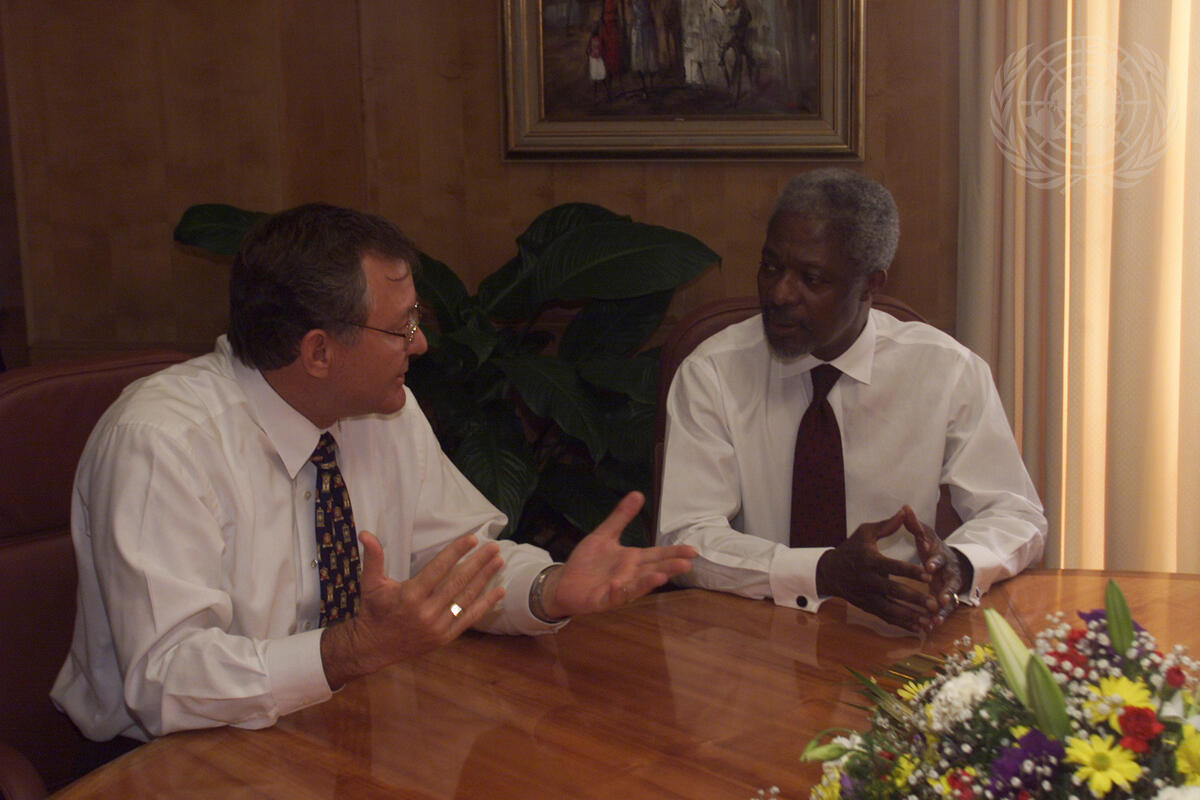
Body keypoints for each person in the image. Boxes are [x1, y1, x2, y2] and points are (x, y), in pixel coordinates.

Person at [52, 203, 696, 744]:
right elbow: (163, 679)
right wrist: (355, 649)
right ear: (319, 351)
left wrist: (549, 589)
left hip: (342, 731)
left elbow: (451, 565)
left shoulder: (384, 412)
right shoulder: (161, 443)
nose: (421, 343)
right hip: (173, 761)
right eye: (402, 326)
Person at [656, 168, 1046, 634]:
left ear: (870, 285)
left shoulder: (947, 371)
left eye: (812, 278)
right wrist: (820, 572)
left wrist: (960, 562)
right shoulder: (713, 372)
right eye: (771, 267)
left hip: (896, 633)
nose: (780, 294)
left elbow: (1015, 513)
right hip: (756, 633)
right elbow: (685, 539)